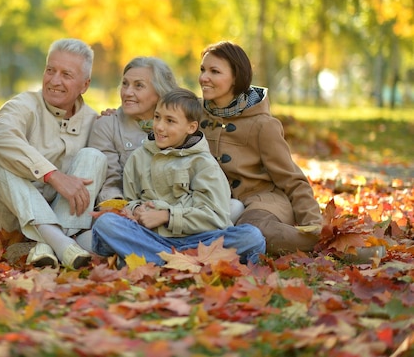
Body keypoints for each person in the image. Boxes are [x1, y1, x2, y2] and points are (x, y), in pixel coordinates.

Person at [91, 89, 266, 266]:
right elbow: (131, 199)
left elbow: (215, 218)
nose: (159, 126)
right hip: (151, 237)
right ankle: (179, 261)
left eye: (170, 121)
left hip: (198, 241)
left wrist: (166, 216)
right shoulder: (139, 157)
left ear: (191, 127)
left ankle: (153, 259)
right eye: (157, 117)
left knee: (251, 237)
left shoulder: (203, 163)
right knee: (106, 223)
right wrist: (137, 209)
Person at [0, 38, 107, 269]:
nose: (54, 80)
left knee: (95, 156)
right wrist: (52, 175)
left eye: (66, 75)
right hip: (12, 229)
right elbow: (0, 137)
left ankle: (48, 246)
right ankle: (60, 243)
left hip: (68, 220)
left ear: (85, 85)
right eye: (50, 70)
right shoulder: (23, 105)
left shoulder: (94, 121)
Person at [198, 40, 322, 255]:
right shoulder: (195, 114)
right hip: (211, 202)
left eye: (214, 71)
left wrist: (313, 225)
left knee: (254, 232)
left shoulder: (263, 125)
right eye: (202, 70)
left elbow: (292, 178)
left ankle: (330, 247)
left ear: (236, 77)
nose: (203, 78)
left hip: (260, 203)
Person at [87, 56, 180, 203]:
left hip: (177, 211)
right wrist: (124, 209)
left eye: (138, 86)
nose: (127, 92)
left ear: (160, 92)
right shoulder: (107, 126)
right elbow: (110, 183)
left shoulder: (183, 124)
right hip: (127, 212)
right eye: (125, 84)